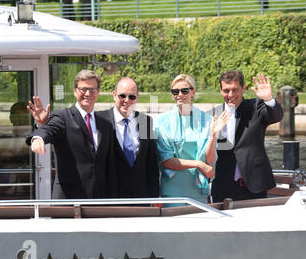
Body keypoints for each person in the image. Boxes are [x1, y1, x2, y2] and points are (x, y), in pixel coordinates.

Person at [26, 70, 116, 199]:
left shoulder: (105, 124)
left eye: (92, 89)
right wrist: (38, 136)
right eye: (83, 89)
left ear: (98, 92)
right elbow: (50, 129)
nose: (88, 94)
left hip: (99, 200)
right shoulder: (62, 117)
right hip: (69, 199)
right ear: (75, 91)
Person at [156, 74, 230, 205]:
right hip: (172, 190)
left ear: (193, 92)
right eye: (175, 91)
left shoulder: (207, 120)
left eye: (184, 90)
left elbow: (208, 159)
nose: (179, 94)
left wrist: (213, 136)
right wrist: (198, 164)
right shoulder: (162, 122)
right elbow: (167, 161)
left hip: (198, 188)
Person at [210, 70, 284, 202]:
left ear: (243, 88)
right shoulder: (213, 115)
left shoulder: (256, 107)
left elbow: (276, 116)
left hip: (254, 186)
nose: (231, 95)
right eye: (226, 90)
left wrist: (269, 99)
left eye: (235, 90)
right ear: (221, 90)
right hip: (223, 186)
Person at [97, 77, 160, 198]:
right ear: (114, 95)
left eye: (132, 97)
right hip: (109, 196)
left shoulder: (145, 121)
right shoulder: (100, 120)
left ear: (137, 98)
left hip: (140, 196)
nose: (127, 100)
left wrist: (154, 195)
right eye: (122, 96)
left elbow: (151, 162)